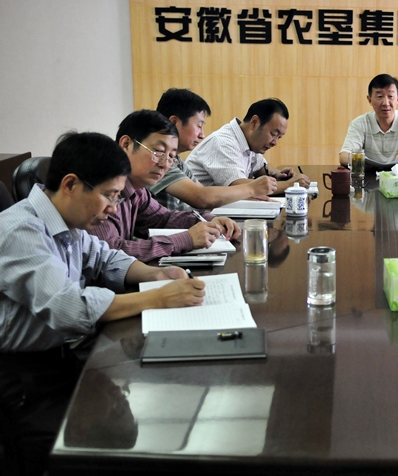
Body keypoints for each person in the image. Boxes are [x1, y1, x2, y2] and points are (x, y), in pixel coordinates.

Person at [0, 132, 205, 474]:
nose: (113, 209)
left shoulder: (66, 222)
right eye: (109, 196)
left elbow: (105, 258)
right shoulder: (20, 231)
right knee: (110, 452)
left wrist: (157, 275)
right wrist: (156, 298)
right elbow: (69, 308)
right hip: (21, 383)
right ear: (70, 184)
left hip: (58, 360)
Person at [91, 110, 241, 263]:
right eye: (159, 152)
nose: (164, 164)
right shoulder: (99, 187)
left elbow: (162, 218)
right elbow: (108, 253)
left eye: (171, 157)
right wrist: (185, 239)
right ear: (126, 144)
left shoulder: (138, 190)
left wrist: (209, 220)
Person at [149, 88, 277, 211]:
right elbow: (201, 197)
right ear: (174, 122)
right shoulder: (158, 159)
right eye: (199, 126)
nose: (202, 135)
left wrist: (247, 194)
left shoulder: (177, 162)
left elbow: (202, 193)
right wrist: (251, 189)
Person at [186, 97, 310, 194]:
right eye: (273, 134)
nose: (275, 142)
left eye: (279, 137)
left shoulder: (248, 140)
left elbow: (261, 167)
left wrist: (278, 174)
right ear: (255, 123)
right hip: (194, 214)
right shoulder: (224, 143)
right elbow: (239, 186)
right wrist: (290, 185)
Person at [339, 74, 398, 168]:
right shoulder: (359, 123)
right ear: (369, 100)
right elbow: (344, 156)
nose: (386, 103)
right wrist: (361, 161)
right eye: (379, 96)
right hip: (369, 176)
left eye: (390, 96)